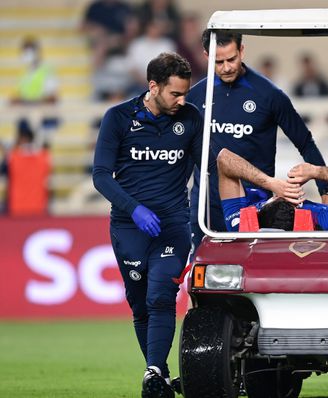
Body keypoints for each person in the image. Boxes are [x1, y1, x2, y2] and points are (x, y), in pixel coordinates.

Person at [92, 52, 204, 398]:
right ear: (153, 86)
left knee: (160, 296)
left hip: (172, 224)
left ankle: (152, 372)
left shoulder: (190, 118)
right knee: (139, 303)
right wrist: (134, 208)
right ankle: (161, 375)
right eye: (175, 93)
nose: (181, 100)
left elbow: (206, 168)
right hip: (129, 227)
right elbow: (100, 175)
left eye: (185, 93)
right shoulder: (119, 118)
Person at [186, 30, 328, 254]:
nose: (226, 67)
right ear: (207, 56)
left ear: (242, 51)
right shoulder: (196, 96)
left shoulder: (269, 95)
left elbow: (305, 142)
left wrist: (326, 189)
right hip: (206, 205)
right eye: (218, 61)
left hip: (254, 205)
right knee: (203, 276)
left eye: (231, 59)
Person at [216, 149, 328, 231]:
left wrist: (269, 182)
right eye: (293, 202)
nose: (289, 193)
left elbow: (224, 158)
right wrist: (317, 172)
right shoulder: (324, 222)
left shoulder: (240, 225)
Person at [0, 119, 51, 216]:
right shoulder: (44, 156)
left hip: (18, 209)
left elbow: (3, 171)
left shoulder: (12, 157)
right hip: (36, 208)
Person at [11, 37, 58, 105]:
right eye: (23, 52)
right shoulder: (24, 72)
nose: (24, 55)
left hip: (44, 111)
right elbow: (18, 94)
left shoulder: (47, 70)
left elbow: (52, 98)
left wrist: (30, 102)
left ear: (36, 52)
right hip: (26, 110)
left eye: (26, 52)